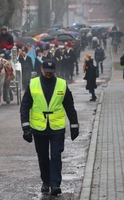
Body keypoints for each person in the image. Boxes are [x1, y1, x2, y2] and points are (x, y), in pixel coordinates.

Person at [20, 59, 79, 197]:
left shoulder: (62, 85)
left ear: (55, 71)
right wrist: (26, 127)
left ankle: (55, 184)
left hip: (56, 127)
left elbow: (70, 107)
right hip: (38, 128)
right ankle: (46, 182)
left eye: (51, 72)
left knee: (56, 155)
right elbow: (24, 107)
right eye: (46, 71)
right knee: (43, 157)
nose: (48, 74)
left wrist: (74, 125)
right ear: (41, 69)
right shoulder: (33, 84)